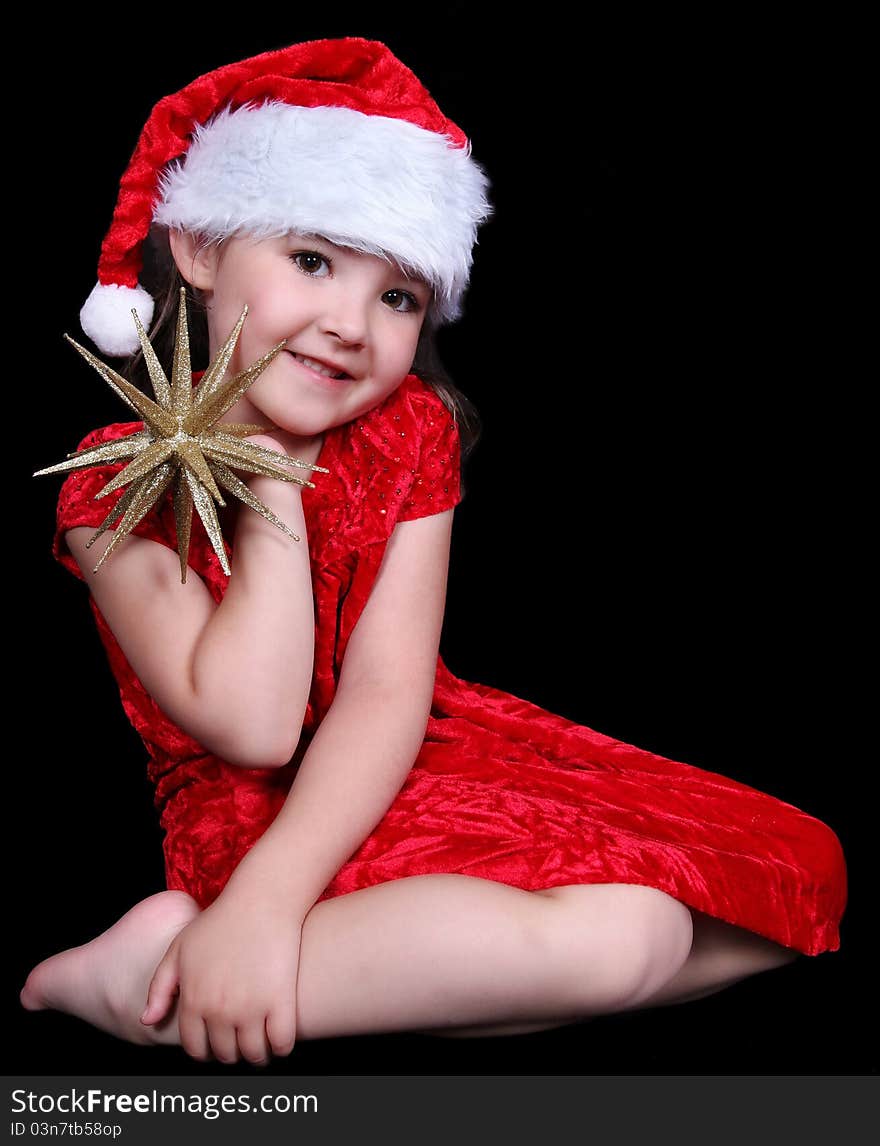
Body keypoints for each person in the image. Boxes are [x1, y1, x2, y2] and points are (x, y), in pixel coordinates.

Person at [21, 36, 846, 1067]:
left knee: (796, 868)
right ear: (197, 246)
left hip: (408, 753)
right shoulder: (112, 480)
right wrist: (274, 476)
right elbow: (258, 727)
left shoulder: (410, 429)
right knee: (621, 941)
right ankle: (172, 977)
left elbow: (385, 692)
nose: (349, 325)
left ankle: (193, 970)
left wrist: (275, 915)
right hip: (251, 819)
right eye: (312, 261)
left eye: (398, 297)